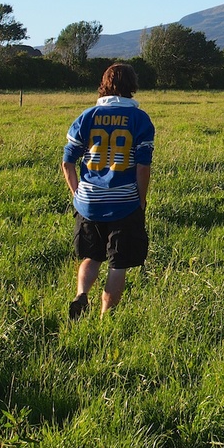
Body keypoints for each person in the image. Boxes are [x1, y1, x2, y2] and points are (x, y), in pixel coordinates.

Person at [61, 63, 154, 318]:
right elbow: (143, 167)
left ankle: (81, 295)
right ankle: (105, 318)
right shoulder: (140, 119)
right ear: (132, 85)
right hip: (124, 203)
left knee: (91, 256)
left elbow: (67, 162)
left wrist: (77, 194)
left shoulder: (87, 116)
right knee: (118, 264)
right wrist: (141, 200)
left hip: (88, 202)